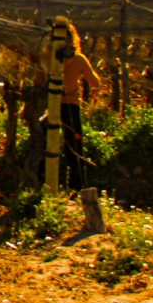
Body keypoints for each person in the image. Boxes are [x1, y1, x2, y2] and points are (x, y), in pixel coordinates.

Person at [57, 21, 100, 191]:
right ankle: (78, 186)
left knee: (46, 143)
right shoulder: (78, 59)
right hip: (71, 106)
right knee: (75, 147)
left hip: (51, 105)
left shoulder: (50, 58)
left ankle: (43, 181)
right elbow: (95, 83)